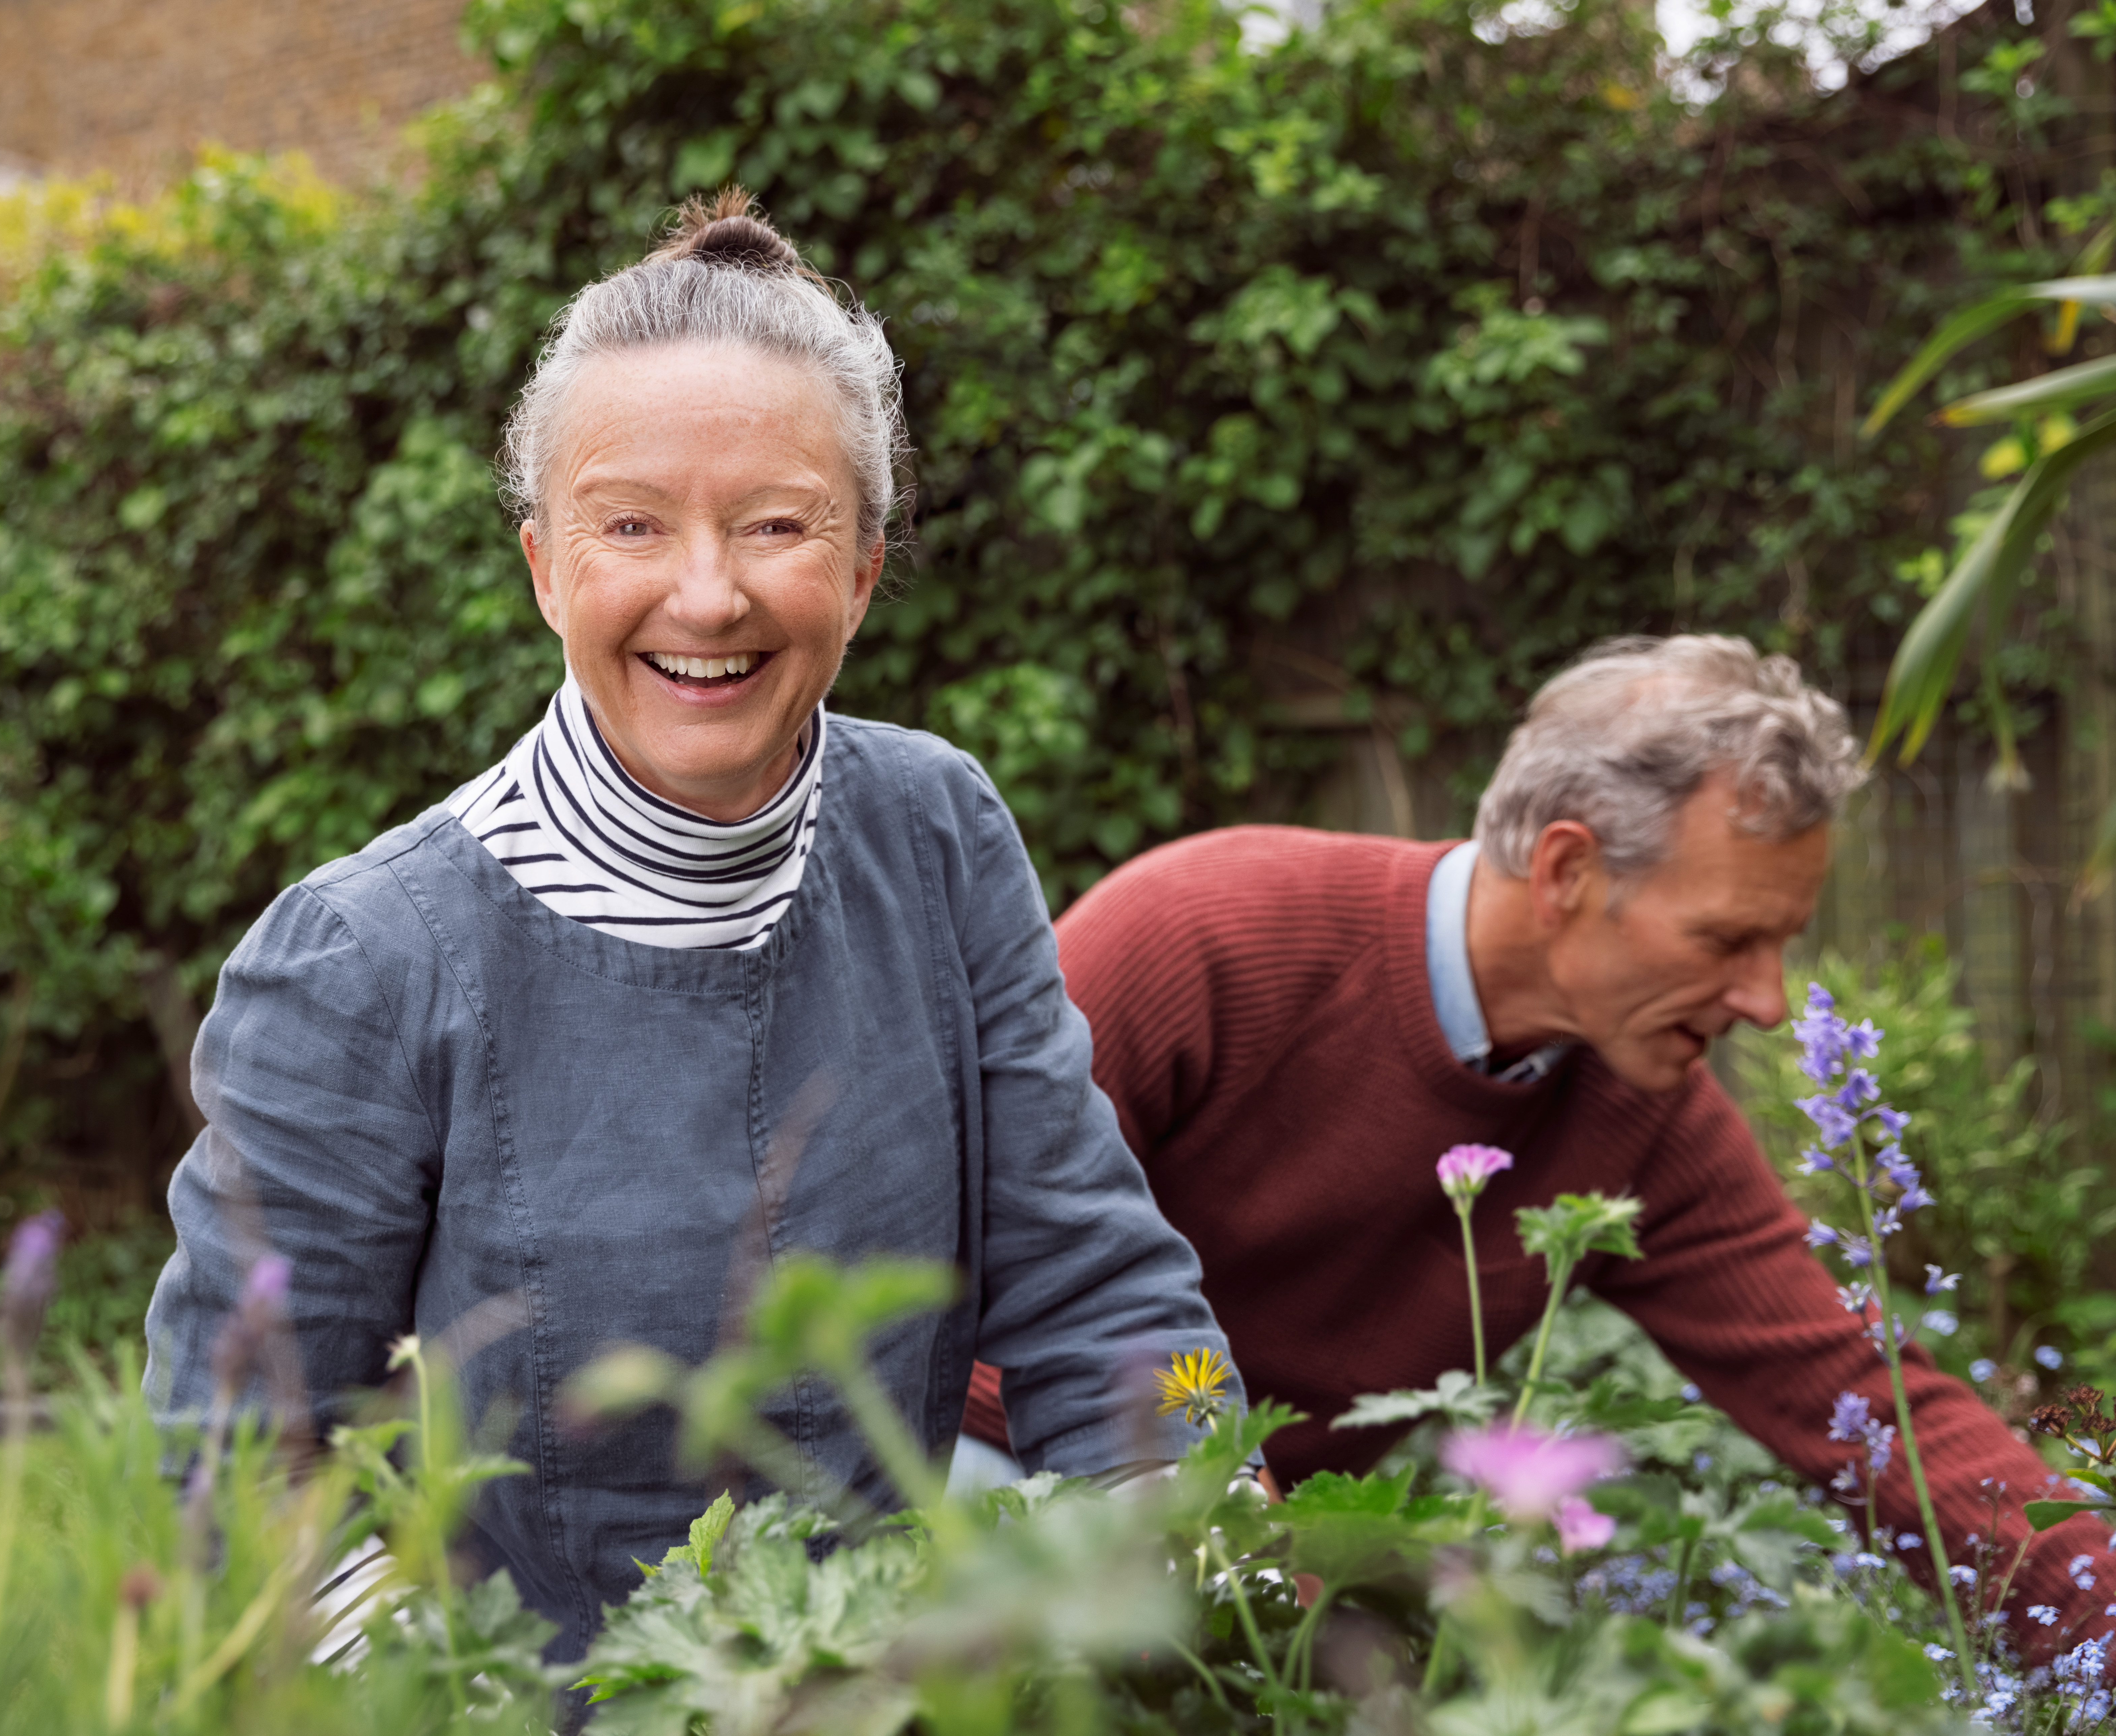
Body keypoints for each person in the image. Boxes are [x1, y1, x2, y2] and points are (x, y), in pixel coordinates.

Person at [145, 194, 1238, 1661]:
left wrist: (1218, 1585)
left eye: (777, 525)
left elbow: (1092, 1289)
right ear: (546, 569)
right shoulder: (363, 959)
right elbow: (243, 1458)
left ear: (859, 570)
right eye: (631, 525)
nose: (707, 593)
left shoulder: (933, 834)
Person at [961, 635, 2104, 1638]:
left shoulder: (1642, 1114)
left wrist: (2099, 1617)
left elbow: (1853, 1395)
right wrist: (1231, 1536)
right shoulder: (1206, 937)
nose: (1767, 999)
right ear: (1567, 870)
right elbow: (957, 1267)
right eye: (1727, 940)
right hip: (974, 1471)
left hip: (1266, 1559)